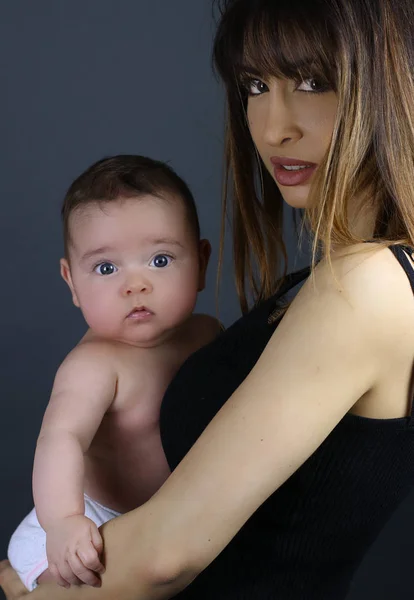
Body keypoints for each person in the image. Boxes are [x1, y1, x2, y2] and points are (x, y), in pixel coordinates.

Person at [1, 0, 414, 598]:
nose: (274, 128)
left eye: (311, 82)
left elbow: (166, 555)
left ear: (388, 81)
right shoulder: (341, 274)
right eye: (254, 85)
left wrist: (26, 596)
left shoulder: (367, 285)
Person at [6, 154, 219, 592]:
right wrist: (64, 521)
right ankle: (18, 582)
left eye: (160, 260)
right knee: (88, 587)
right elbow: (61, 439)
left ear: (200, 261)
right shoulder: (94, 366)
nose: (135, 285)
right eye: (106, 268)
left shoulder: (207, 333)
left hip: (166, 518)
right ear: (72, 283)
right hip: (89, 523)